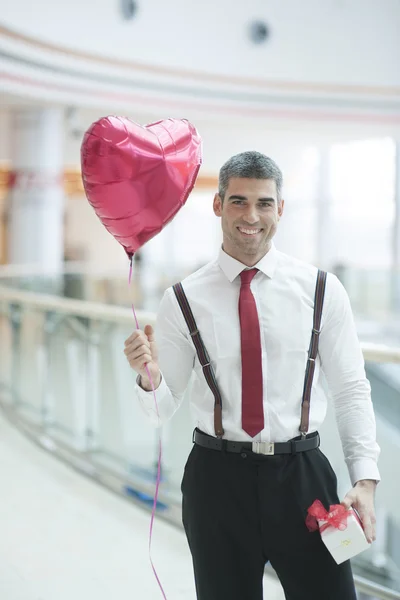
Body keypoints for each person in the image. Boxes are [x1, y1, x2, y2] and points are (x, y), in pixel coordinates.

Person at [124, 151, 380, 600]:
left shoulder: (321, 291)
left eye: (264, 203)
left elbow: (352, 390)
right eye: (239, 201)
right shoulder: (182, 299)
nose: (251, 216)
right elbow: (162, 409)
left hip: (302, 477)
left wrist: (364, 479)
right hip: (216, 480)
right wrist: (149, 379)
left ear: (280, 208)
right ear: (218, 205)